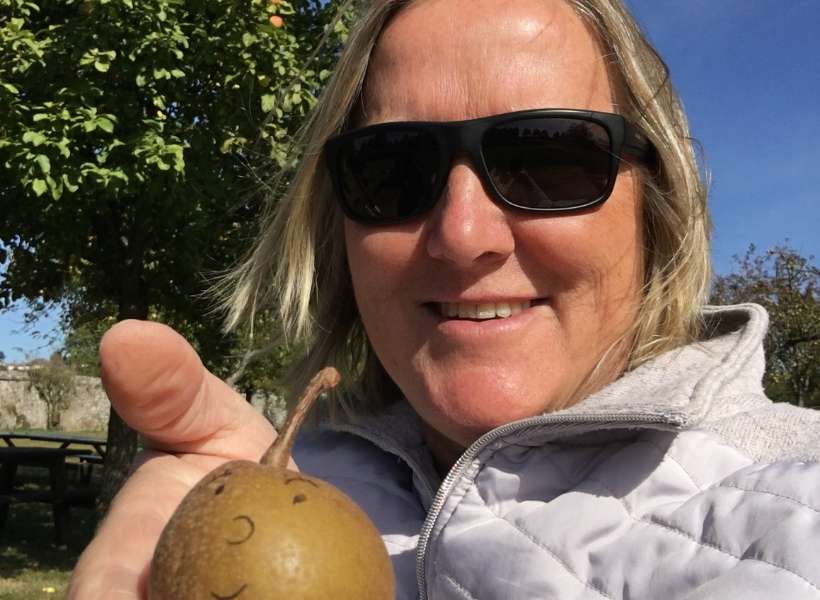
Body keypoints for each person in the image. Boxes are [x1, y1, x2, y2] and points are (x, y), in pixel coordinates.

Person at [69, 0, 820, 598]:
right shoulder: (269, 489)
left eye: (550, 157)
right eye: (392, 169)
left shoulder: (794, 501)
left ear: (656, 208)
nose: (463, 236)